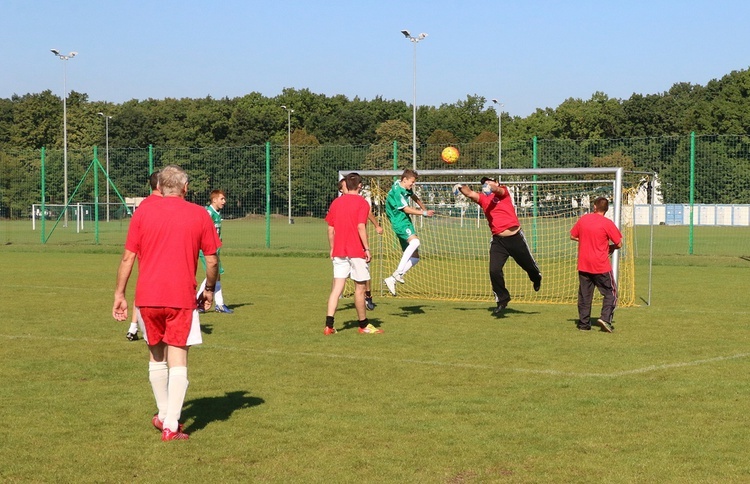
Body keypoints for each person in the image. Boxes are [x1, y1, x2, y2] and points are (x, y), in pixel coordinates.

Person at [113, 164, 220, 441]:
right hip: (180, 297)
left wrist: (120, 294)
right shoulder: (199, 214)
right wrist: (209, 289)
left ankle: (162, 415)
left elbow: (128, 257)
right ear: (186, 188)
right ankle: (171, 423)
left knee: (156, 356)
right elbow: (211, 260)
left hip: (147, 296)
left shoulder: (143, 212)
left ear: (159, 186)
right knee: (179, 357)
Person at [456, 177, 542, 315]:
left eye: (489, 181)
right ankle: (502, 299)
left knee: (528, 265)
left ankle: (536, 277)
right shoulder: (484, 198)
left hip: (515, 237)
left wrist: (491, 187)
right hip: (498, 241)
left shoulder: (503, 192)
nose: (486, 184)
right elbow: (470, 193)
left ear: (496, 182)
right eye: (484, 183)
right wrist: (460, 186)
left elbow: (498, 190)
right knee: (494, 271)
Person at [324, 172, 381, 335]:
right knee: (360, 288)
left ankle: (329, 325)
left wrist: (332, 248)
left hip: (339, 251)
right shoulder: (362, 203)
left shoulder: (336, 203)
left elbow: (330, 229)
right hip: (356, 251)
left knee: (336, 289)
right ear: (360, 186)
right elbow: (360, 226)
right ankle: (363, 325)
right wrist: (367, 248)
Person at [570, 196, 623, 332]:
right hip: (600, 265)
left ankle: (584, 324)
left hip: (584, 263)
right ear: (606, 209)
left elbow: (573, 235)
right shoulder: (607, 223)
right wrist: (610, 247)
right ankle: (605, 319)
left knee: (585, 295)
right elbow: (619, 243)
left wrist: (586, 240)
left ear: (594, 207)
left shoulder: (584, 219)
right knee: (611, 293)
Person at [383, 169, 434, 296]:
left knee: (415, 258)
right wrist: (423, 213)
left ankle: (392, 279)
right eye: (411, 182)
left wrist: (423, 208)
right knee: (415, 242)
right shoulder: (397, 191)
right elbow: (405, 209)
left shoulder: (403, 186)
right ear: (404, 179)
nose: (412, 185)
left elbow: (413, 196)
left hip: (404, 220)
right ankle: (398, 272)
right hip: (399, 221)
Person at [126, 171, 161, 342]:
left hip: (145, 252)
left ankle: (133, 327)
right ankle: (149, 329)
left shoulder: (144, 205)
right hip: (159, 253)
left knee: (143, 289)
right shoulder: (163, 204)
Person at [338, 178, 383, 310]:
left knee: (364, 272)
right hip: (344, 243)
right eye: (344, 186)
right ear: (341, 189)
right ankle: (336, 297)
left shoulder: (358, 201)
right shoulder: (339, 203)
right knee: (340, 275)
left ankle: (367, 296)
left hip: (358, 242)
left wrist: (376, 225)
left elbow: (367, 214)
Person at [197, 189, 233, 313]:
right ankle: (201, 302)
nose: (224, 201)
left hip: (214, 249)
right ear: (214, 200)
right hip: (206, 250)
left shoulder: (216, 213)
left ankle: (217, 304)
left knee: (216, 276)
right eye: (222, 199)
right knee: (213, 275)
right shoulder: (208, 213)